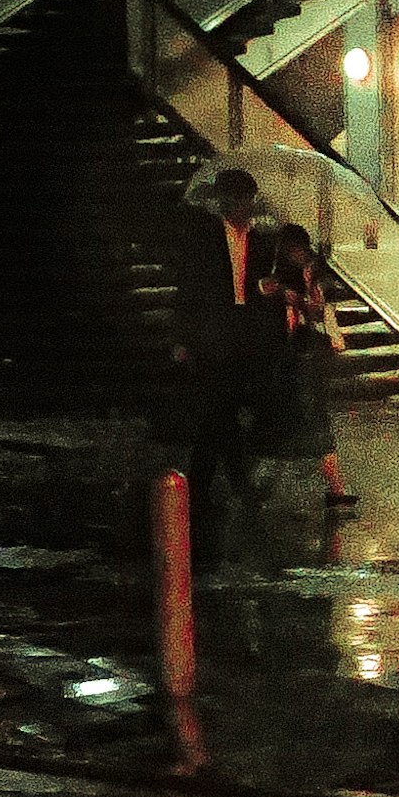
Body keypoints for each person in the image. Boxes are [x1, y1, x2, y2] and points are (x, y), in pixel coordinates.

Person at [176, 167, 283, 548]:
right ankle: (229, 485)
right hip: (213, 330)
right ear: (225, 202)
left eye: (248, 202)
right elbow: (189, 287)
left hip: (245, 328)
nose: (244, 210)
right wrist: (184, 337)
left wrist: (266, 290)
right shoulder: (203, 237)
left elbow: (265, 282)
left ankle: (203, 484)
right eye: (238, 203)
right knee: (219, 407)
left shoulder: (262, 239)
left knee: (223, 410)